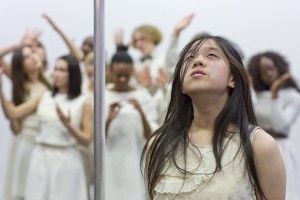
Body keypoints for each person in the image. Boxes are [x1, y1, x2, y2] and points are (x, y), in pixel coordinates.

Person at [141, 35, 286, 200]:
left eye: (211, 55)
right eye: (190, 57)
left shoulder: (259, 145)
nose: (198, 61)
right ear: (181, 84)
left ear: (233, 79)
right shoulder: (158, 145)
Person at [0, 54, 93, 200]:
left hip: (67, 159)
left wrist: (68, 125)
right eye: (55, 69)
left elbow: (87, 140)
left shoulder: (83, 102)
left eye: (62, 70)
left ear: (73, 74)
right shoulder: (45, 96)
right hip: (41, 156)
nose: (56, 74)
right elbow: (12, 114)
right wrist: (1, 90)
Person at [105, 48, 158, 200]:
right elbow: (96, 137)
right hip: (110, 161)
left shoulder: (142, 95)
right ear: (110, 71)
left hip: (135, 161)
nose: (122, 79)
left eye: (126, 75)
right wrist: (109, 119)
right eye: (118, 75)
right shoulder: (103, 96)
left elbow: (151, 135)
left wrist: (140, 112)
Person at [247, 51, 300, 200]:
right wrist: (248, 88)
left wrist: (275, 96)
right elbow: (249, 115)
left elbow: (279, 126)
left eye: (271, 68)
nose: (269, 74)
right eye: (263, 72)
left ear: (279, 67)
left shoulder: (293, 96)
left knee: (284, 191)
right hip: (257, 146)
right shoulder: (256, 96)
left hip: (281, 147)